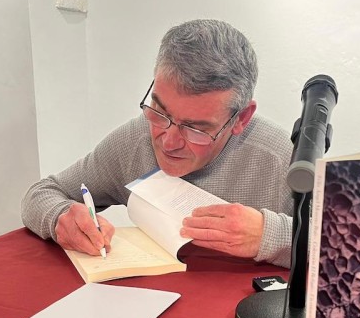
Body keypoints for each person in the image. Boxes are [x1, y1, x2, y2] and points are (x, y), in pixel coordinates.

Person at [22, 19, 294, 268]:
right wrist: (61, 217)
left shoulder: (284, 159)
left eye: (196, 128)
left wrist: (270, 235)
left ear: (241, 118)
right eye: (160, 111)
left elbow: (336, 251)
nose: (168, 141)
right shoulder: (135, 140)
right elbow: (41, 193)